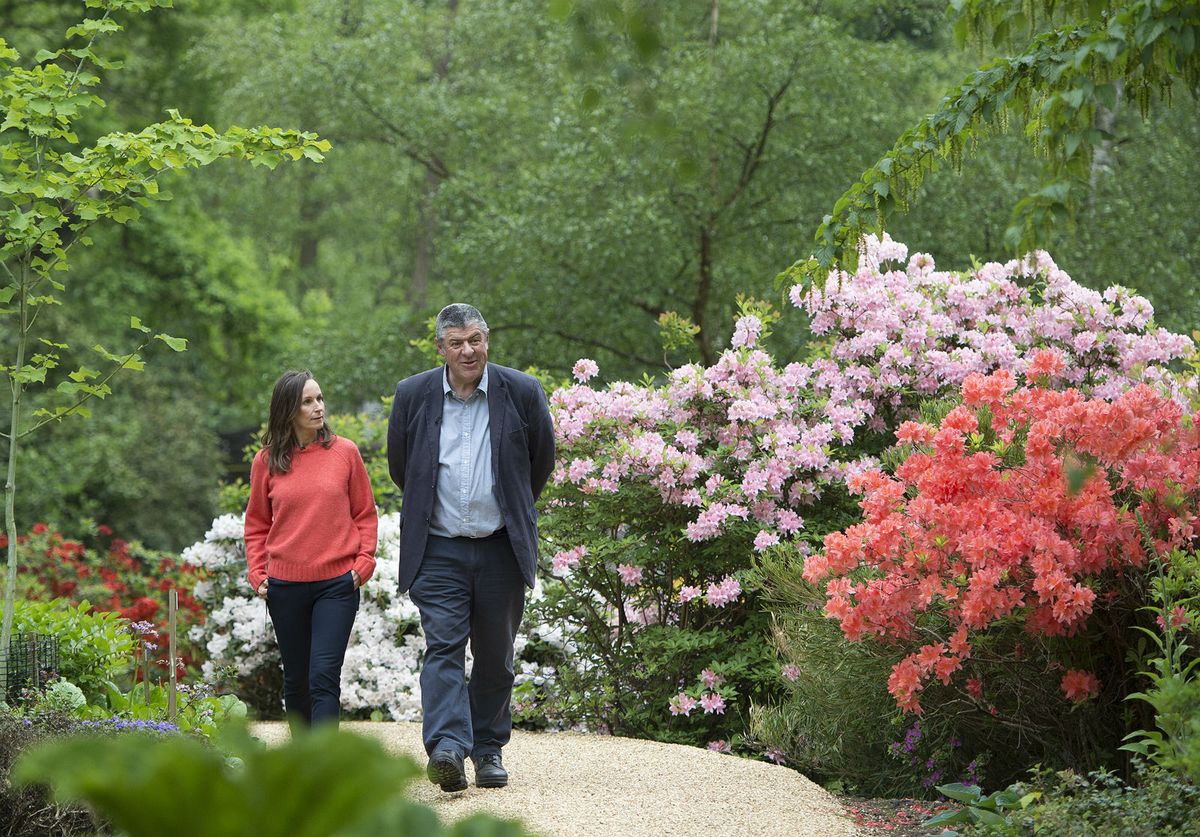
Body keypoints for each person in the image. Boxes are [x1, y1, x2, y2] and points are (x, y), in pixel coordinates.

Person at [387, 303, 554, 791]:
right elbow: (404, 467)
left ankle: (487, 750)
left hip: (501, 547)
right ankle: (446, 749)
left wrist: (508, 507)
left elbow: (538, 462)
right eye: (456, 342)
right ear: (440, 348)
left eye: (475, 339)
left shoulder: (521, 392)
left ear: (487, 340)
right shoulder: (413, 394)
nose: (468, 350)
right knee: (443, 647)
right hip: (438, 549)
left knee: (496, 654)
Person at [244, 370, 377, 730]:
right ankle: (302, 765)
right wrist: (258, 574)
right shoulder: (266, 461)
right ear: (288, 410)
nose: (318, 407)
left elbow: (365, 513)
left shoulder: (345, 452)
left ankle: (324, 770)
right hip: (284, 587)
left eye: (319, 398)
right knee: (297, 681)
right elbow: (257, 524)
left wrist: (363, 564)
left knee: (323, 676)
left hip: (337, 584)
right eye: (308, 401)